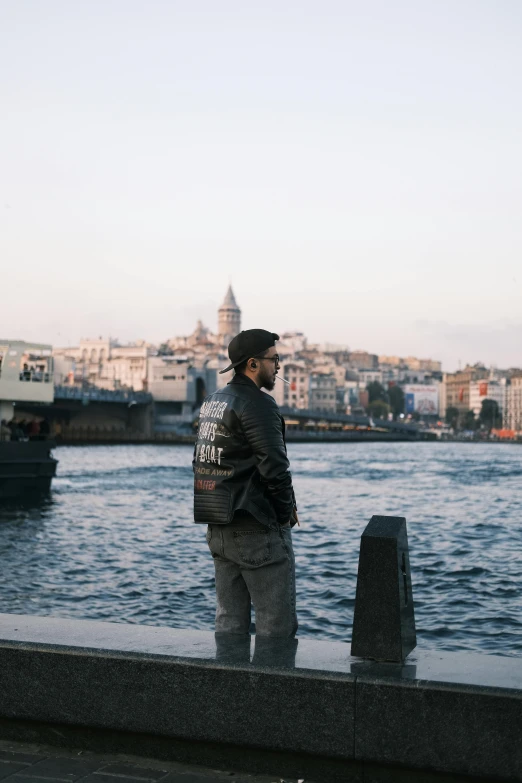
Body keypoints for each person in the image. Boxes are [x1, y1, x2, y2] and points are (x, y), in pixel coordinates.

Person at [193, 329, 299, 638]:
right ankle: (272, 686)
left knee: (229, 624)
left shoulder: (212, 402)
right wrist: (284, 515)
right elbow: (276, 469)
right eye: (274, 359)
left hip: (218, 526)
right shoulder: (259, 405)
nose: (278, 366)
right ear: (252, 364)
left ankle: (228, 684)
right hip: (255, 527)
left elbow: (202, 461)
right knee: (275, 628)